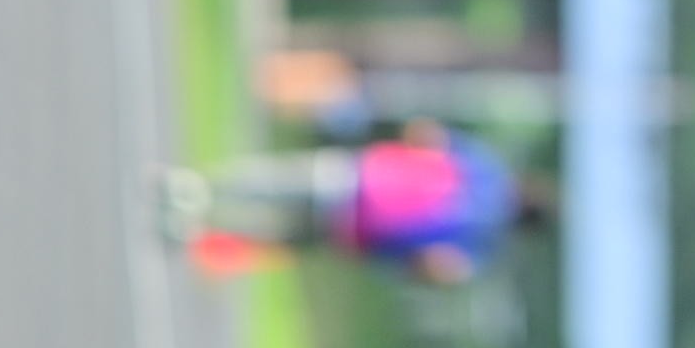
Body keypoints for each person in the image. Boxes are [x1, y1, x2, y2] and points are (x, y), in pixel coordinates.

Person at [161, 120, 538, 282]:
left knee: (273, 181)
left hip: (362, 176)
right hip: (357, 232)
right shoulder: (483, 243)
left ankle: (196, 190)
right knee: (274, 232)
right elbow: (436, 268)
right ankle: (197, 226)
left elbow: (425, 133)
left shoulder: (485, 165)